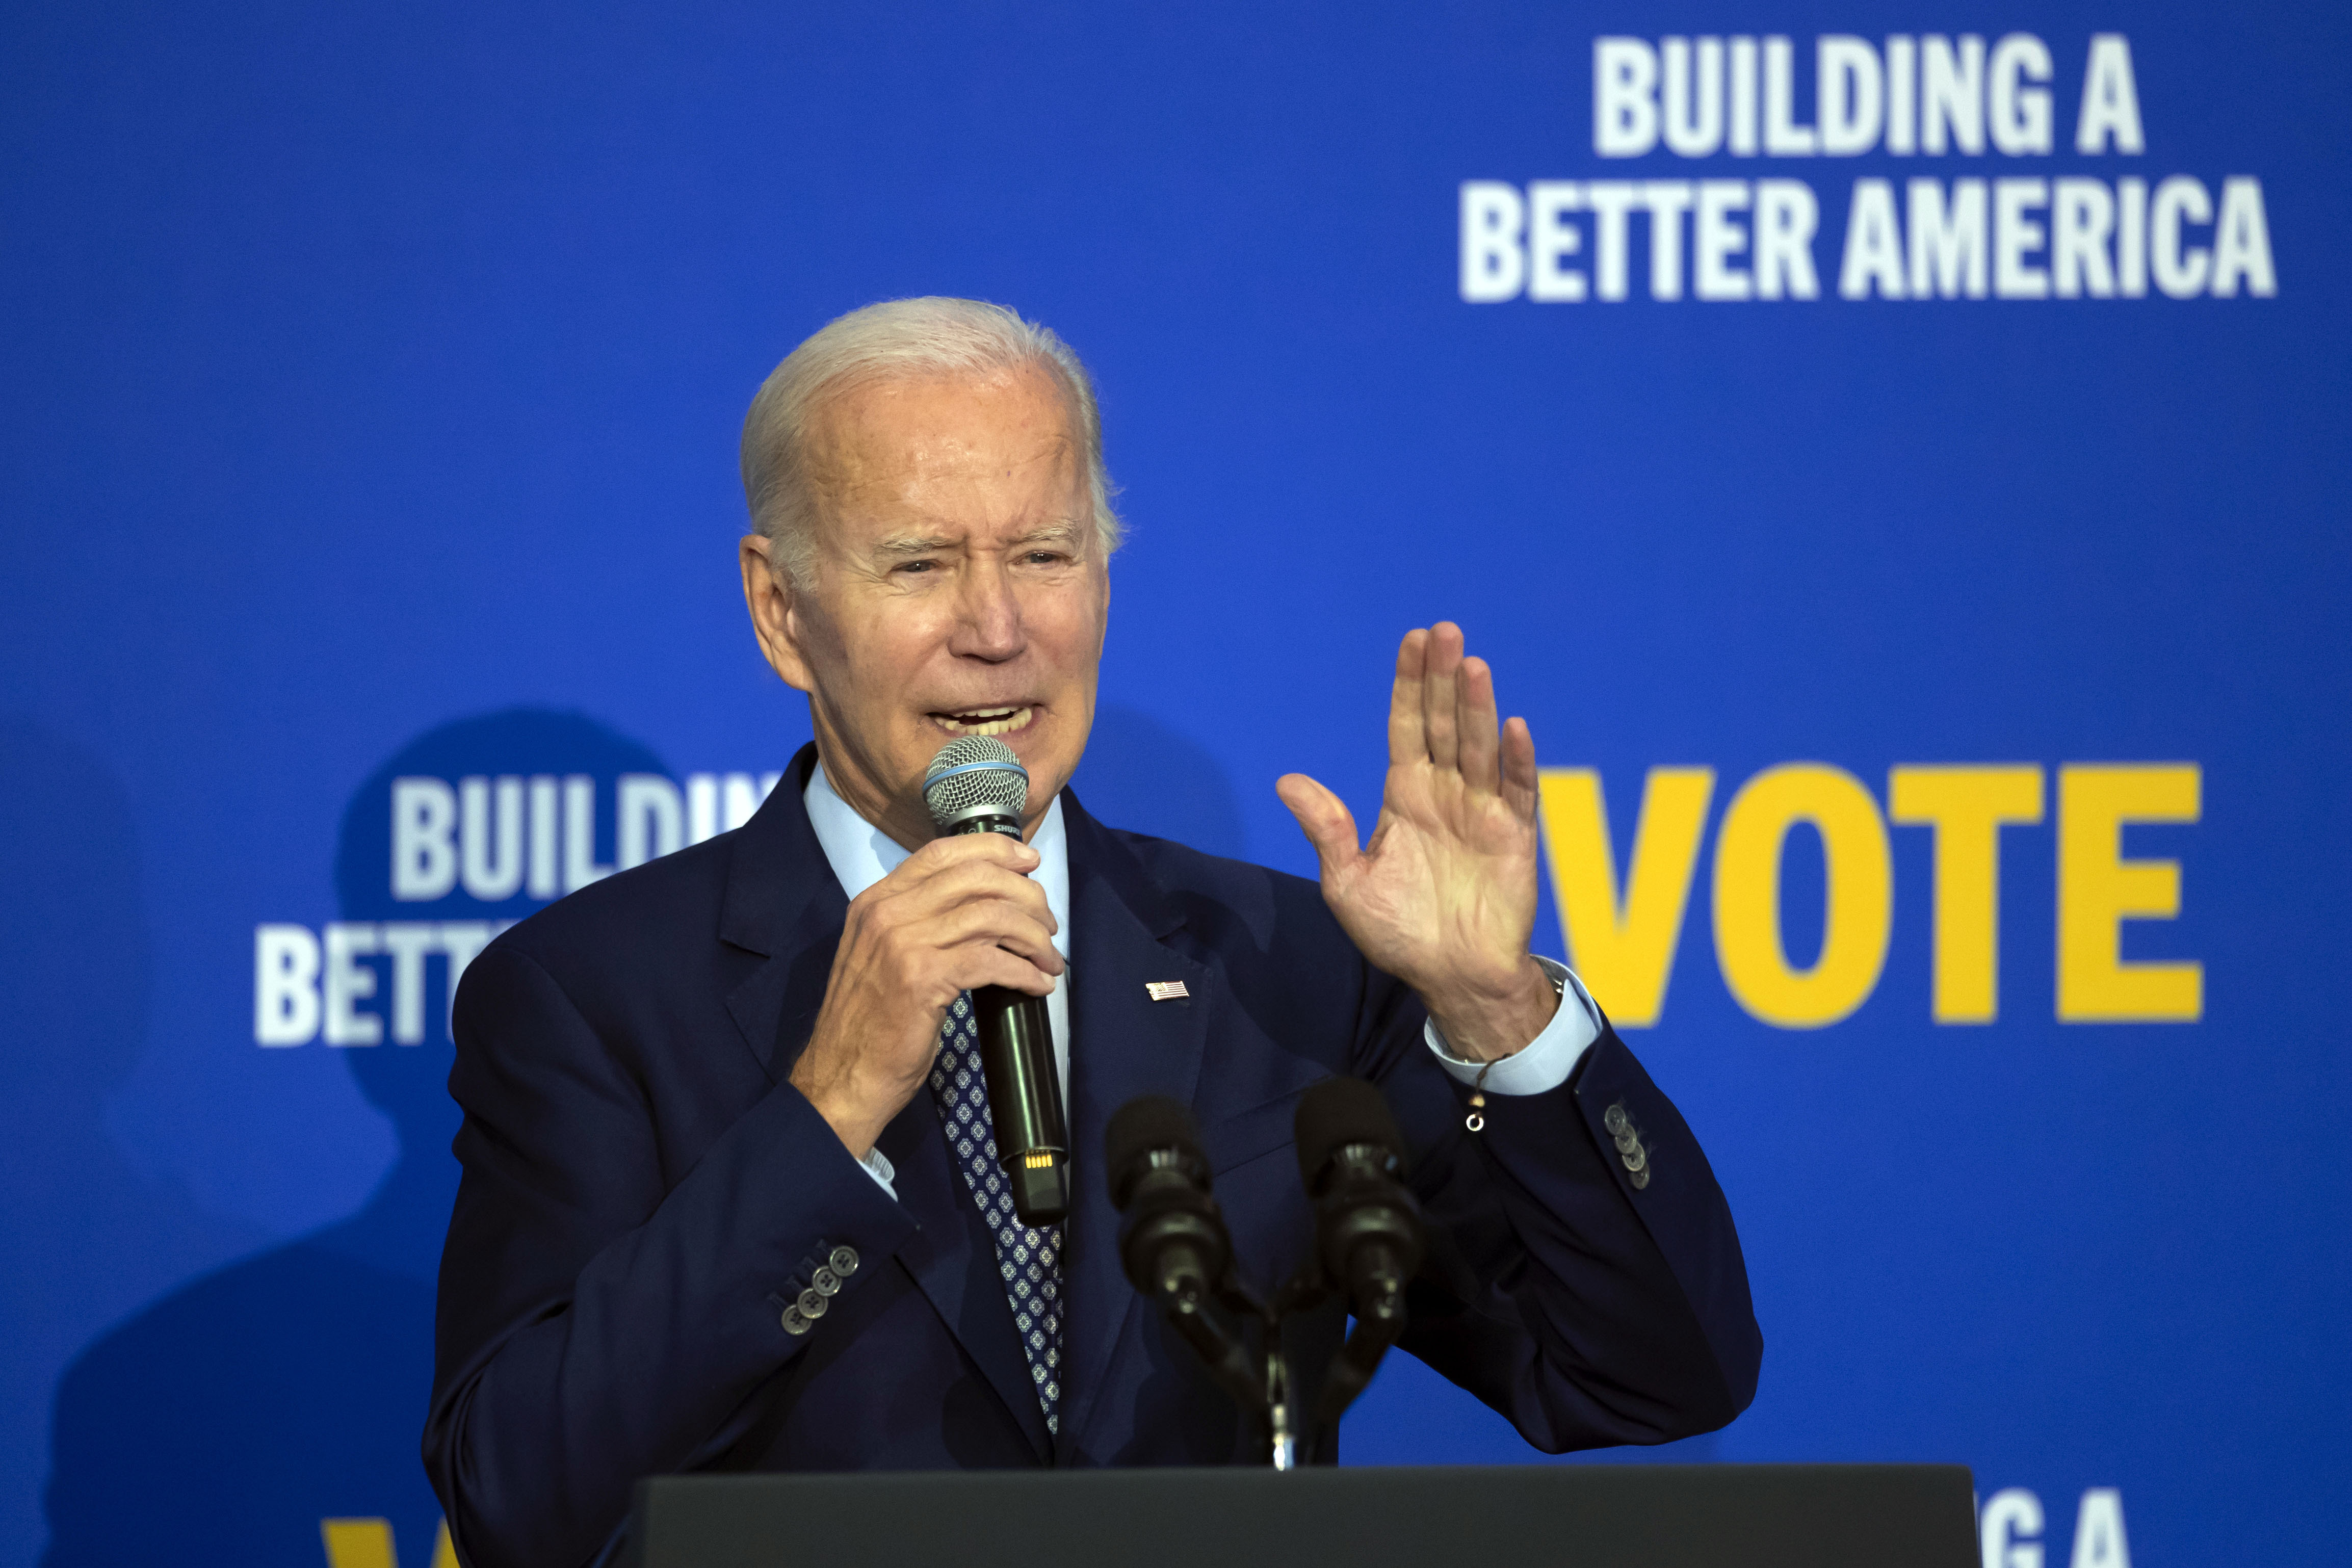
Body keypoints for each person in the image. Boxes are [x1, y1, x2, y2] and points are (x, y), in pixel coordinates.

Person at [424, 298, 1761, 1568]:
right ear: (784, 611)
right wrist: (823, 1118)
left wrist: (1499, 1017)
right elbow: (519, 1501)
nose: (997, 631)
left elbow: (1654, 1376)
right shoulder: (591, 997)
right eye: (922, 563)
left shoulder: (1288, 970)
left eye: (1045, 556)